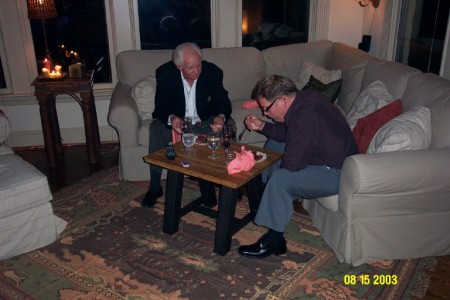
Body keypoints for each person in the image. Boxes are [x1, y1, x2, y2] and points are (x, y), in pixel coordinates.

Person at [238, 74, 359, 259]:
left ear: (282, 101)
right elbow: (288, 134)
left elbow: (293, 164)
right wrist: (263, 126)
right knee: (274, 145)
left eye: (266, 109)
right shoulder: (304, 101)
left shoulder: (306, 116)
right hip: (322, 156)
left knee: (280, 179)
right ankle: (263, 197)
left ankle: (274, 240)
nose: (265, 113)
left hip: (336, 172)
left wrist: (277, 177)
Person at [142, 42, 232, 208]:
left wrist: (220, 117)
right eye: (191, 68)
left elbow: (223, 100)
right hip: (181, 121)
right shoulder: (165, 74)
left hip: (204, 120)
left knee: (228, 126)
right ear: (179, 67)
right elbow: (160, 108)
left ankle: (229, 183)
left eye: (198, 65)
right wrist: (173, 118)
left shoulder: (212, 71)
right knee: (156, 129)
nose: (197, 71)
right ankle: (155, 187)